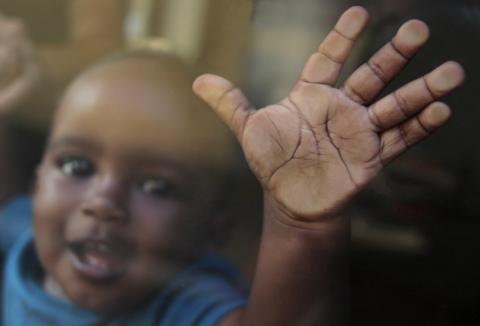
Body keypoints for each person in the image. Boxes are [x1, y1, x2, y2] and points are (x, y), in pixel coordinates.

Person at [0, 6, 464, 325]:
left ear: (211, 229)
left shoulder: (187, 300)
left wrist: (302, 227)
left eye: (157, 186)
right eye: (77, 165)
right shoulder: (17, 230)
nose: (104, 202)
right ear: (37, 178)